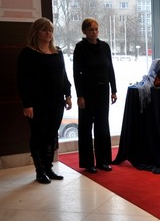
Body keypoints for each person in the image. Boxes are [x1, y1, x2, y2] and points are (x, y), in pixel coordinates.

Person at [17, 17, 72, 184]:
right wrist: (27, 104)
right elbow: (23, 81)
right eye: (44, 30)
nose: (48, 33)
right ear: (36, 32)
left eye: (50, 30)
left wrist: (68, 95)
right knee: (38, 135)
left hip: (56, 101)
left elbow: (63, 76)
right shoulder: (28, 53)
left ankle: (48, 167)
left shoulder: (57, 52)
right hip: (37, 102)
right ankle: (39, 170)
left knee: (50, 135)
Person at [73, 17, 117, 173]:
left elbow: (110, 68)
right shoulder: (80, 48)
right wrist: (80, 95)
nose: (94, 32)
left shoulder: (105, 47)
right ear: (84, 31)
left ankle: (103, 161)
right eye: (91, 29)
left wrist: (114, 90)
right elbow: (77, 73)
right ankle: (88, 163)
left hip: (103, 91)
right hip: (87, 93)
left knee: (102, 126)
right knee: (86, 128)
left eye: (96, 29)